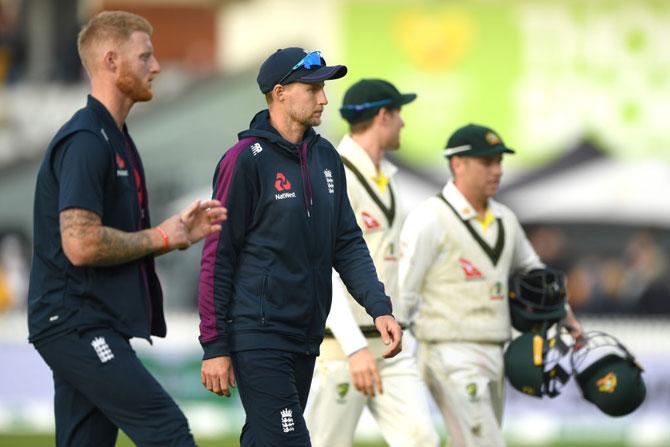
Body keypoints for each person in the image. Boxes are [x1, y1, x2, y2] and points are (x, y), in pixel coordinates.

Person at [27, 11, 227, 447]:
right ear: (112, 61)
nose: (156, 66)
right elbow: (80, 244)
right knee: (167, 430)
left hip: (87, 321)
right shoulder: (86, 140)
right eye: (146, 56)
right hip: (77, 324)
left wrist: (168, 235)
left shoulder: (113, 136)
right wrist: (161, 237)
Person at [198, 48, 402, 446]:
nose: (324, 98)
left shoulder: (326, 157)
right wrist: (214, 345)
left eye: (323, 87)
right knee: (290, 440)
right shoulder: (244, 160)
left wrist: (379, 308)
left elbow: (346, 243)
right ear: (280, 93)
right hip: (258, 332)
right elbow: (217, 257)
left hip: (305, 334)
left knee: (265, 439)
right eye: (313, 88)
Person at [398, 123, 582, 447]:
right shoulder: (430, 217)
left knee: (471, 440)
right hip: (447, 349)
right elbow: (404, 289)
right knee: (486, 443)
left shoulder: (505, 219)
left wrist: (566, 316)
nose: (497, 171)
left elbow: (533, 271)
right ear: (458, 164)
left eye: (499, 161)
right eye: (487, 162)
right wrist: (392, 352)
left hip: (496, 348)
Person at [304, 79, 439, 447]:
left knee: (421, 439)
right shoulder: (337, 173)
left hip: (389, 346)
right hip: (340, 350)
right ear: (383, 115)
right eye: (399, 114)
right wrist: (352, 346)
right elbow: (324, 269)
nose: (403, 124)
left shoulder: (385, 177)